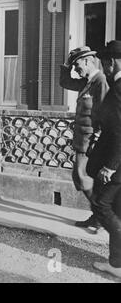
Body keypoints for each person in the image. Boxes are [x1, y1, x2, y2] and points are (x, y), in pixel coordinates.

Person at [59, 46, 109, 232]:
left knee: (82, 176)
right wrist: (67, 61)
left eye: (77, 64)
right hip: (82, 139)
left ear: (88, 61)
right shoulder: (86, 82)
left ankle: (102, 216)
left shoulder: (100, 81)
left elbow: (106, 113)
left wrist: (98, 139)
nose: (75, 69)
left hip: (92, 140)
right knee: (81, 177)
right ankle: (98, 216)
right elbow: (65, 82)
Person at [86, 40, 121, 279]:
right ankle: (116, 262)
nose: (104, 67)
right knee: (116, 207)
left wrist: (110, 166)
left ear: (112, 62)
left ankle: (118, 265)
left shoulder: (118, 88)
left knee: (102, 204)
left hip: (116, 163)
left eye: (105, 62)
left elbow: (120, 131)